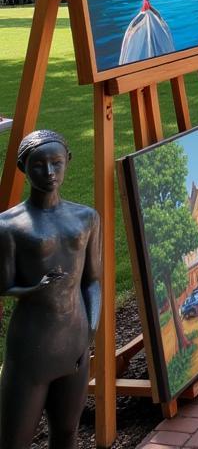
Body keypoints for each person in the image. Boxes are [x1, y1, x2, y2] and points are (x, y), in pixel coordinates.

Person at [0, 130, 101, 449]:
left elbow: (93, 280)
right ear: (23, 167)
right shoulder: (9, 226)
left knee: (68, 432)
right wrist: (33, 290)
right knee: (15, 440)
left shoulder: (86, 218)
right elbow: (2, 285)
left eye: (56, 163)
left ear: (67, 162)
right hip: (31, 347)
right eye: (39, 165)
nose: (49, 172)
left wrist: (91, 329)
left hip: (75, 341)